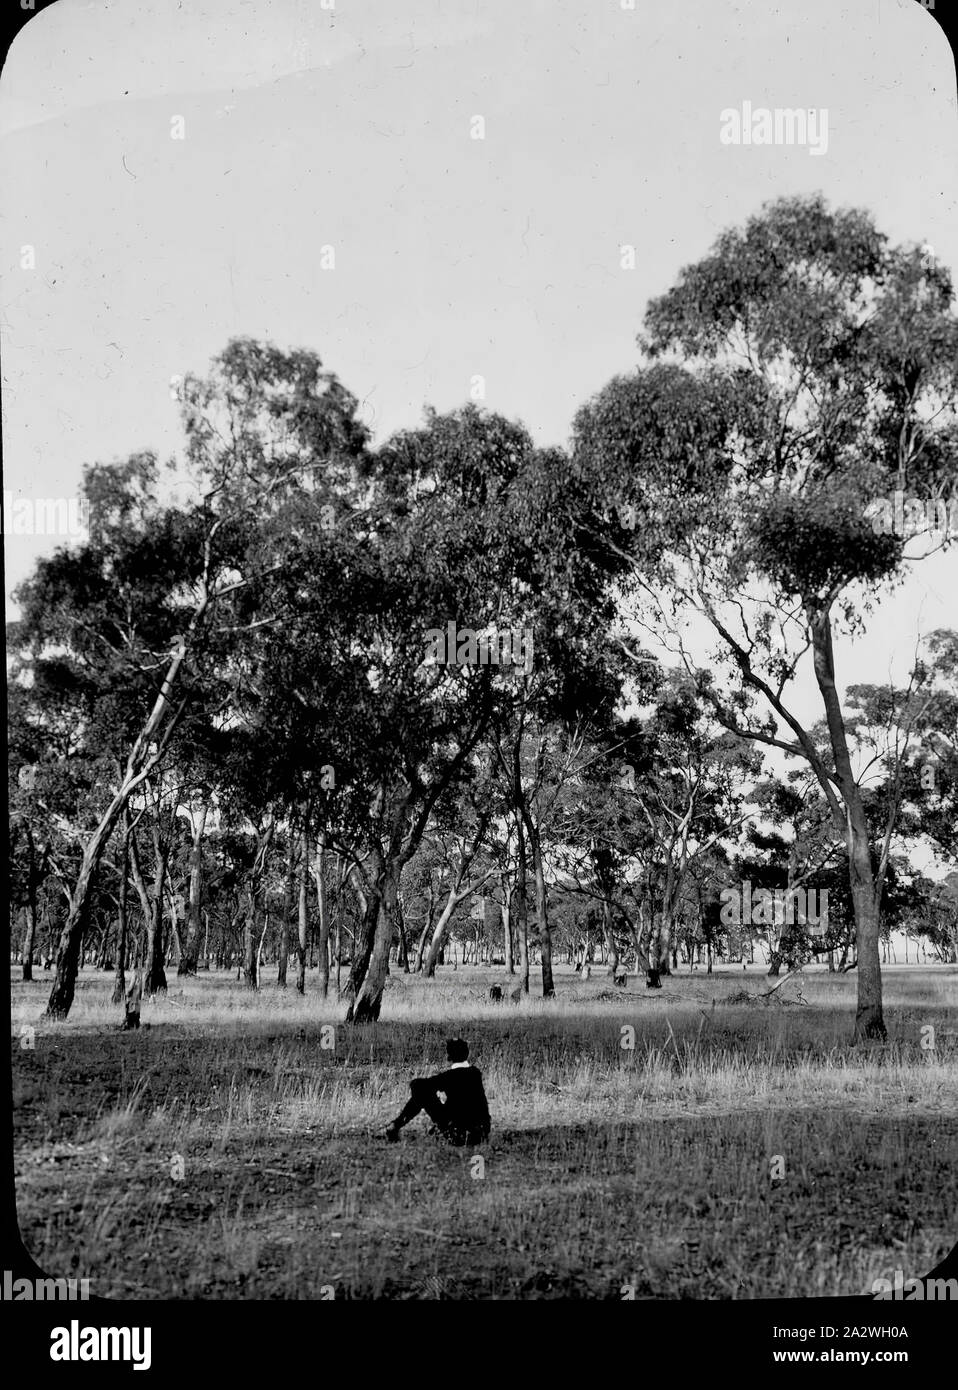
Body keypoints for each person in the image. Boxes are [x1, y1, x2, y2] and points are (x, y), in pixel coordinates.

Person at [385, 1038, 490, 1146]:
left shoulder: (449, 1076)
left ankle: (395, 1125)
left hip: (457, 1135)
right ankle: (396, 1126)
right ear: (467, 1054)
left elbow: (417, 1085)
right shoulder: (476, 1073)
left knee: (422, 1093)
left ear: (449, 1057)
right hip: (480, 1135)